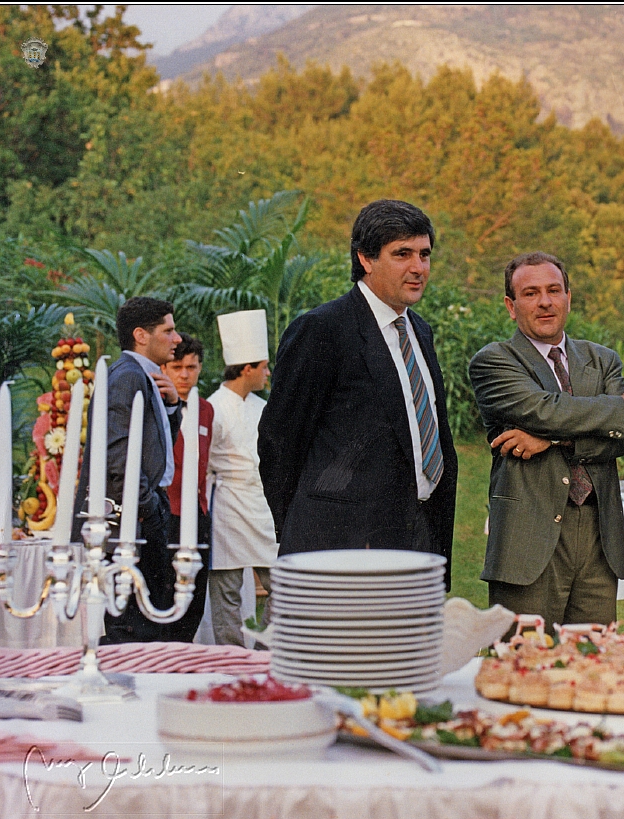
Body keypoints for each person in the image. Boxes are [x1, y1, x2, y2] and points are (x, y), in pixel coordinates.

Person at [257, 200, 458, 585]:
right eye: (402, 254)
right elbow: (279, 444)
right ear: (365, 258)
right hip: (341, 550)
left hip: (416, 540)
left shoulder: (420, 332)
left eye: (424, 254)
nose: (418, 267)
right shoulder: (322, 330)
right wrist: (311, 530)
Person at [469, 251, 624, 631]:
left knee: (595, 664)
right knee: (523, 662)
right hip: (527, 541)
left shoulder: (602, 361)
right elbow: (544, 410)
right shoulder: (495, 361)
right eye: (531, 293)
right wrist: (619, 406)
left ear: (569, 296)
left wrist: (551, 442)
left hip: (600, 542)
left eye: (554, 290)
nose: (545, 301)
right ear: (511, 305)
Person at [76, 296, 182, 643]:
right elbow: (117, 451)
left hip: (144, 505)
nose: (177, 339)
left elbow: (153, 445)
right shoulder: (126, 377)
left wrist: (170, 408)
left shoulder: (142, 375)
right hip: (132, 513)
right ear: (141, 335)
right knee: (135, 621)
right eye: (168, 330)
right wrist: (147, 505)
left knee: (150, 613)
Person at [209, 310, 280, 646]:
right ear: (247, 368)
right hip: (226, 506)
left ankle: (267, 652)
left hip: (260, 505)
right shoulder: (213, 408)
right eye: (263, 366)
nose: (267, 373)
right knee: (227, 592)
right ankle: (230, 659)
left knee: (284, 588)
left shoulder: (260, 407)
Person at [161, 333, 214, 641]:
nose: (184, 374)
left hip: (199, 512)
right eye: (177, 367)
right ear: (165, 368)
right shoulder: (156, 405)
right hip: (168, 512)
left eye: (191, 367)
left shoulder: (206, 410)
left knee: (196, 592)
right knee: (168, 591)